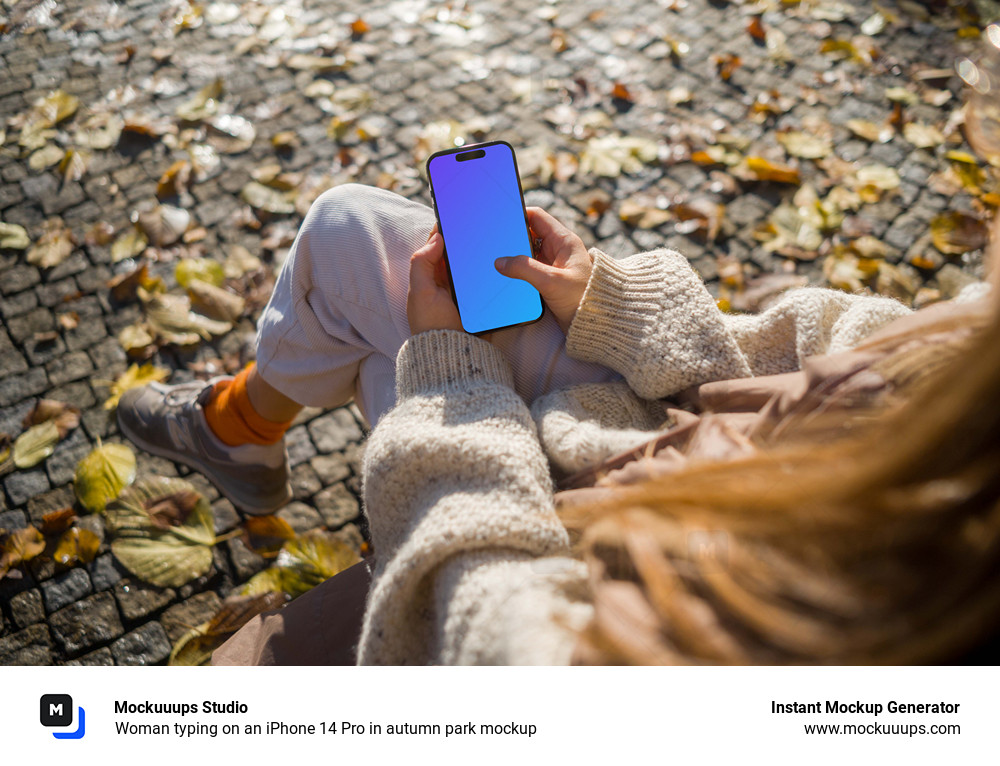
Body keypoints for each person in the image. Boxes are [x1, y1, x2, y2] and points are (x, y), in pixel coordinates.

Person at [118, 182, 994, 665]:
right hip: (640, 429)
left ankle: (238, 430)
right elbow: (804, 346)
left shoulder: (880, 627)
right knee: (355, 233)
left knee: (238, 680)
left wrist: (453, 381)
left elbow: (514, 646)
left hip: (547, 529)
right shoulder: (974, 343)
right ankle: (240, 428)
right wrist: (606, 304)